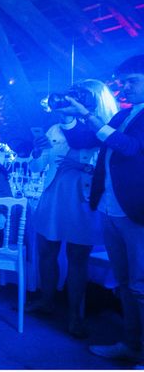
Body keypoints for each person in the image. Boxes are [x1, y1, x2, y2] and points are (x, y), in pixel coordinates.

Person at [68, 55, 144, 364]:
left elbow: (129, 147)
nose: (125, 88)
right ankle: (130, 343)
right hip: (111, 209)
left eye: (132, 82)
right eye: (123, 82)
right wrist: (69, 116)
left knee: (141, 286)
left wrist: (93, 118)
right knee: (124, 283)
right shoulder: (123, 115)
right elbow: (83, 139)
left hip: (137, 211)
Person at [28, 79, 118, 338]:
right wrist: (36, 153)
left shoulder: (104, 127)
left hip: (83, 198)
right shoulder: (56, 127)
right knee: (47, 252)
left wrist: (84, 167)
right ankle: (47, 302)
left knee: (78, 259)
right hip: (53, 194)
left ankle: (75, 317)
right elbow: (37, 167)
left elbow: (112, 165)